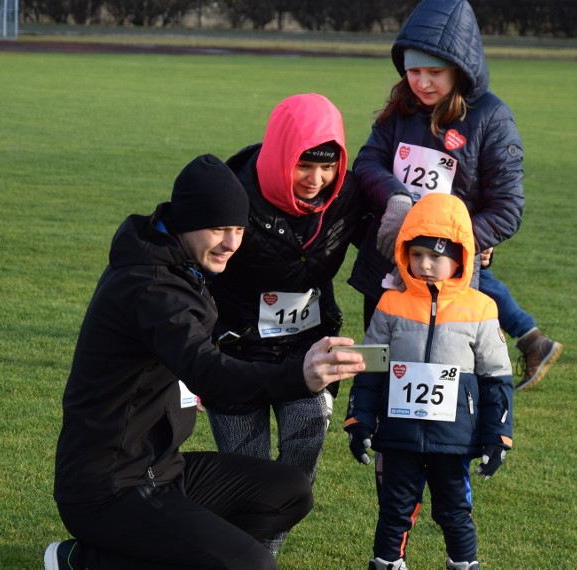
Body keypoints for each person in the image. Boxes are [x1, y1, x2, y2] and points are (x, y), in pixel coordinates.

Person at [44, 154, 366, 570]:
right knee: (254, 566)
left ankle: (166, 555)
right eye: (219, 228)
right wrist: (298, 375)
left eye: (238, 228)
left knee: (290, 489)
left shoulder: (178, 264)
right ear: (186, 223)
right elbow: (208, 373)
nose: (232, 242)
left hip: (162, 469)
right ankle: (87, 560)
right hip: (110, 486)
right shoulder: (153, 289)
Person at [348, 0, 562, 392]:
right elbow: (367, 163)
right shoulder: (400, 108)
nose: (422, 83)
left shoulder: (492, 118)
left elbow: (507, 209)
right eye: (414, 71)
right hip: (386, 273)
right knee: (379, 386)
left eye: (435, 72)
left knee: (447, 394)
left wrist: (455, 241)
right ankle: (381, 452)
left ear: (460, 70)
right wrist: (396, 199)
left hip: (454, 287)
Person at [205, 93, 363, 554]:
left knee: (296, 475)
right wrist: (184, 366)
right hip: (233, 354)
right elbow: (188, 274)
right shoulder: (232, 194)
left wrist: (474, 260)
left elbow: (403, 248)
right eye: (303, 166)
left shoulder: (348, 194)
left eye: (328, 166)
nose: (317, 180)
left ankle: (259, 556)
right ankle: (246, 558)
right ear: (280, 155)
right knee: (245, 474)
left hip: (309, 352)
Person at [344, 192, 514, 570]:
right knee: (394, 508)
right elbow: (370, 368)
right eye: (416, 254)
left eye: (436, 257)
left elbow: (496, 379)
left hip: (453, 440)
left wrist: (498, 435)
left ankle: (463, 563)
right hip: (400, 435)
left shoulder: (481, 308)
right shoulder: (391, 304)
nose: (424, 265)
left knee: (454, 510)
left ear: (460, 257)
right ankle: (387, 563)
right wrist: (359, 420)